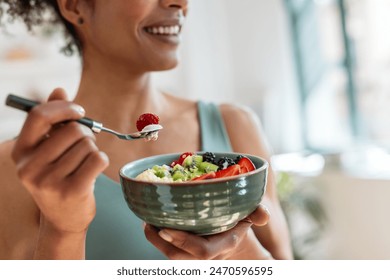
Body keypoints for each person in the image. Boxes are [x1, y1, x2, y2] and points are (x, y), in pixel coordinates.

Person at [0, 0, 293, 260]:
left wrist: (239, 249)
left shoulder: (235, 125)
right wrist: (63, 230)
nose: (179, 3)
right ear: (76, 5)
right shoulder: (16, 166)